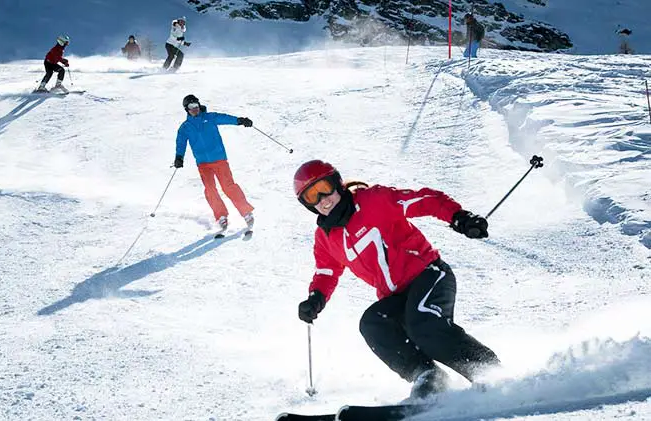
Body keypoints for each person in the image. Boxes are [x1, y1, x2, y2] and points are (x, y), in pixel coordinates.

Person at [294, 160, 500, 400]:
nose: (322, 199)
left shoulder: (373, 200)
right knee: (373, 323)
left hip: (429, 274)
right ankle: (428, 377)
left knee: (423, 324)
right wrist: (316, 298)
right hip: (395, 296)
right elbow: (326, 272)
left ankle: (488, 371)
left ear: (337, 183)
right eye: (312, 196)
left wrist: (458, 216)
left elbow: (423, 200)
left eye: (324, 188)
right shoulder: (325, 237)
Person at [174, 94, 255, 232]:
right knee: (210, 190)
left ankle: (246, 212)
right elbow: (181, 142)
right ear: (186, 109)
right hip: (203, 163)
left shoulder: (210, 117)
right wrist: (179, 157)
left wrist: (240, 121)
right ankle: (221, 216)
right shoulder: (185, 127)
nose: (195, 109)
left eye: (196, 105)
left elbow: (225, 118)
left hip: (219, 159)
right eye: (191, 107)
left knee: (228, 186)